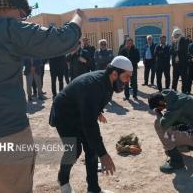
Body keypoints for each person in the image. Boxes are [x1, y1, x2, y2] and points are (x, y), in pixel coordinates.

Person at [0, 0, 85, 192]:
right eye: (22, 15)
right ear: (3, 5)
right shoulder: (4, 28)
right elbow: (62, 39)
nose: (22, 20)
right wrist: (79, 18)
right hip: (3, 137)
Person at [49, 56, 133, 193]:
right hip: (64, 113)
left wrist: (97, 111)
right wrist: (104, 155)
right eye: (126, 76)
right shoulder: (94, 85)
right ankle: (63, 180)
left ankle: (93, 189)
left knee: (91, 148)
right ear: (114, 74)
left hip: (80, 110)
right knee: (74, 150)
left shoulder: (108, 81)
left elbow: (94, 102)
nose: (128, 81)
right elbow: (90, 125)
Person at [148, 90, 193, 173]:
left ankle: (176, 162)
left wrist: (158, 113)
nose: (158, 109)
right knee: (172, 147)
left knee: (158, 124)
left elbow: (164, 124)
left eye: (157, 107)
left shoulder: (176, 104)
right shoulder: (171, 96)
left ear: (161, 101)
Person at [171, 28, 190, 93]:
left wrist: (174, 51)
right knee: (174, 79)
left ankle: (184, 93)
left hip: (183, 64)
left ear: (178, 34)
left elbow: (181, 50)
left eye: (174, 35)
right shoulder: (174, 41)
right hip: (176, 64)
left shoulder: (184, 40)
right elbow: (171, 51)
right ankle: (173, 92)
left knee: (184, 79)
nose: (173, 36)